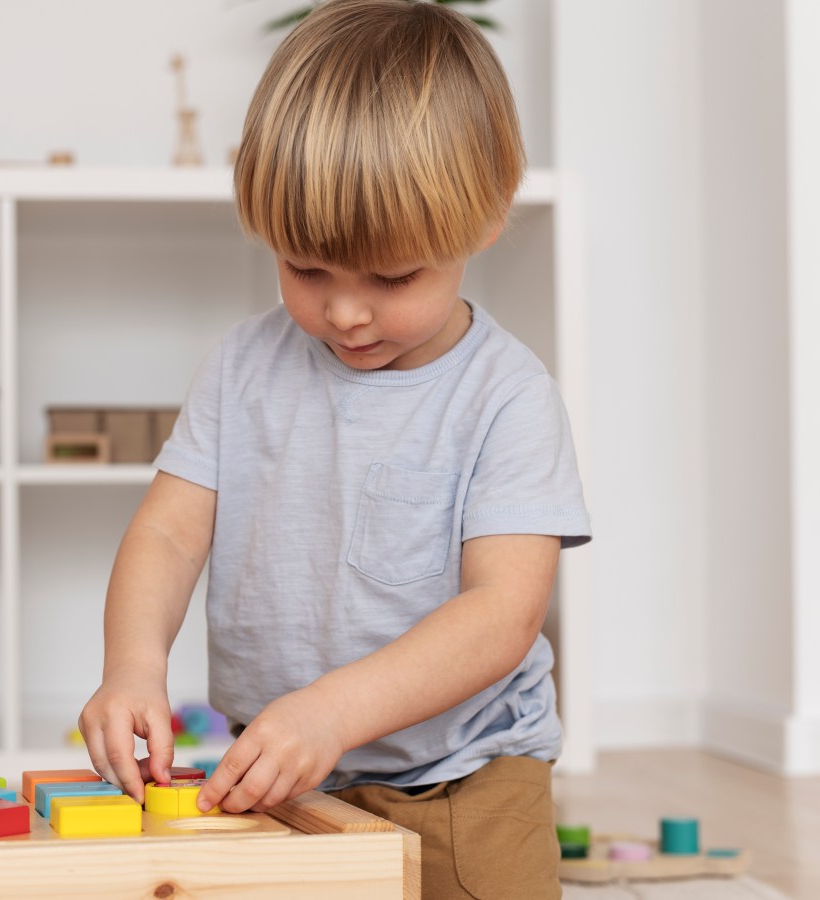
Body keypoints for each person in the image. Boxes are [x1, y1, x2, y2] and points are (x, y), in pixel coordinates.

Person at [79, 1, 590, 895]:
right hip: (281, 774)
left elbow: (502, 615)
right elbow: (167, 534)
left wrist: (334, 710)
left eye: (393, 277)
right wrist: (132, 664)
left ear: (486, 216)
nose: (345, 313)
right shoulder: (243, 368)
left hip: (461, 784)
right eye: (306, 268)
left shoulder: (508, 397)